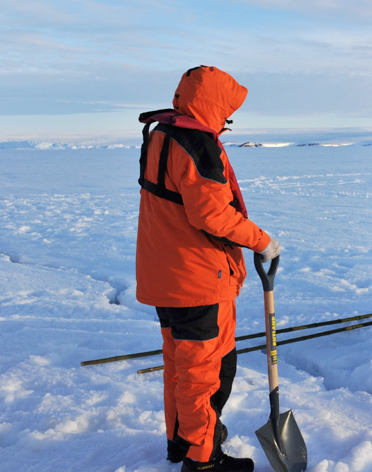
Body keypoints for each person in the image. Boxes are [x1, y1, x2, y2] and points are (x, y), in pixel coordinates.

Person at [136, 65, 278, 472]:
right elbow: (212, 214)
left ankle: (182, 443)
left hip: (166, 274)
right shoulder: (196, 142)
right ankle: (203, 461)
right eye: (226, 113)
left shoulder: (161, 134)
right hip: (197, 278)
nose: (227, 123)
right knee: (205, 374)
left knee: (181, 367)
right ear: (213, 105)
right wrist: (262, 240)